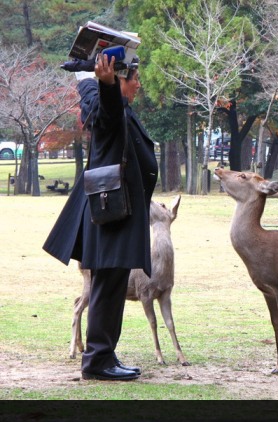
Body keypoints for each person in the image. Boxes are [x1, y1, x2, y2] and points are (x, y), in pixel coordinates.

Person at [43, 52, 158, 381]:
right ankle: (97, 362)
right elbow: (106, 111)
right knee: (109, 287)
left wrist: (89, 75)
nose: (138, 84)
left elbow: (91, 95)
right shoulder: (111, 106)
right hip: (113, 212)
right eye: (134, 77)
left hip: (113, 211)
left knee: (110, 286)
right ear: (120, 81)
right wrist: (106, 84)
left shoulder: (102, 100)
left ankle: (102, 355)